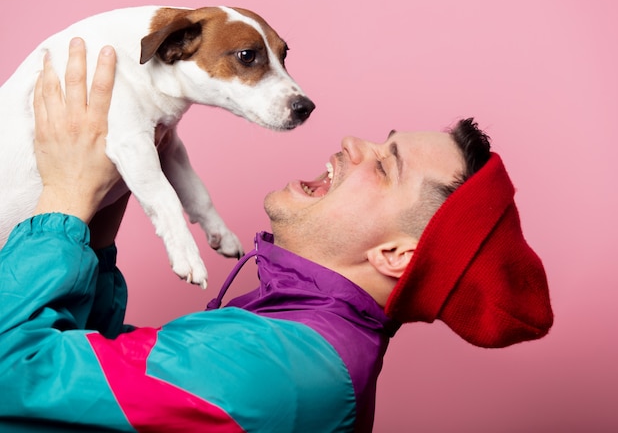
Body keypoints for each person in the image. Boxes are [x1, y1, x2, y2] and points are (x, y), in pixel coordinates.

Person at [0, 39, 553, 433]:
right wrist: (99, 216)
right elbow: (97, 381)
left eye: (385, 166)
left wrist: (65, 201)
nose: (352, 143)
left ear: (395, 254)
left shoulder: (281, 369)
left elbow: (14, 375)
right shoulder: (291, 339)